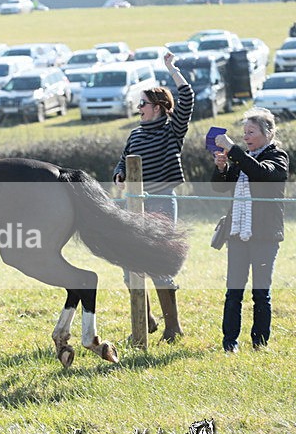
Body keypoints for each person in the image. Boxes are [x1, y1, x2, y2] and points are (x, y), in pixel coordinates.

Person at [113, 52, 194, 342]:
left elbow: (187, 98)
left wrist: (172, 69)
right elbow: (123, 160)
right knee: (129, 263)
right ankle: (145, 320)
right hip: (134, 205)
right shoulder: (135, 134)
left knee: (159, 264)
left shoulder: (171, 131)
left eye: (143, 104)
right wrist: (119, 173)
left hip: (161, 202)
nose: (139, 108)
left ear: (157, 107)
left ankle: (173, 327)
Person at [211, 108, 289, 353]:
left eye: (251, 132)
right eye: (244, 132)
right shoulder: (242, 158)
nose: (246, 137)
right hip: (237, 234)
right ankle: (229, 343)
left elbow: (261, 173)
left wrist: (233, 150)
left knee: (260, 292)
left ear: (268, 133)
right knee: (233, 291)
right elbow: (219, 188)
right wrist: (221, 168)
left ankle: (260, 343)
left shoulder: (278, 157)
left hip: (265, 236)